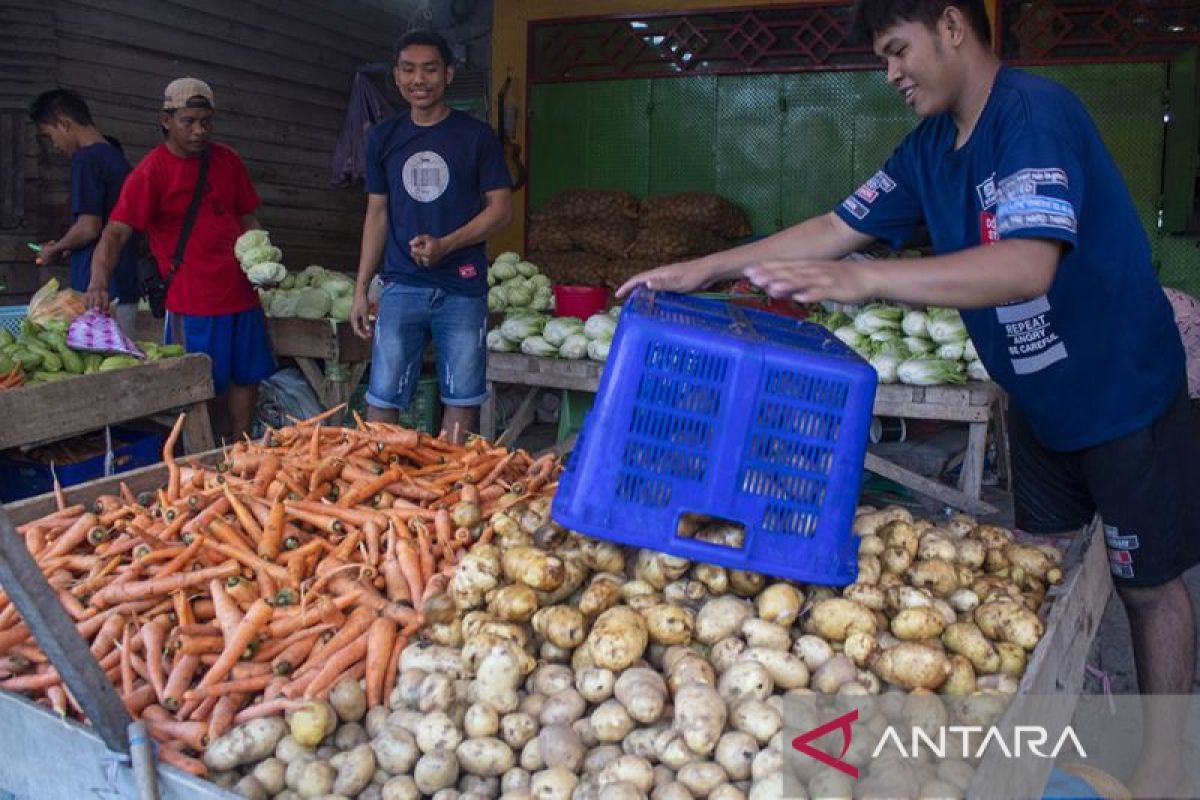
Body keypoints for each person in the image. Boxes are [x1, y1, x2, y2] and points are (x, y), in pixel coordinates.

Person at [618, 1, 1197, 794]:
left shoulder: (1033, 115)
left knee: (1148, 584)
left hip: (1123, 392)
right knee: (1045, 585)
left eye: (898, 51)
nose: (891, 74)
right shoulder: (929, 148)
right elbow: (836, 225)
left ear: (952, 26)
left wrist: (865, 279)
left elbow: (1027, 264)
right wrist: (706, 268)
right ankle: (1064, 742)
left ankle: (1167, 760)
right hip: (1035, 401)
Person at [86, 78, 274, 440]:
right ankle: (205, 458)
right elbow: (115, 233)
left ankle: (241, 449)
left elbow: (249, 219)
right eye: (189, 121)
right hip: (193, 302)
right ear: (166, 119)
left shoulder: (228, 161)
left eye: (206, 121)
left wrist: (261, 260)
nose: (199, 130)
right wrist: (97, 281)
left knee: (246, 375)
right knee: (200, 386)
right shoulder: (151, 172)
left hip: (243, 295)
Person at [350, 29, 512, 444]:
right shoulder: (382, 138)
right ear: (396, 75)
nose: (418, 79)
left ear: (449, 75)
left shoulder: (477, 137)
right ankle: (380, 478)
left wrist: (447, 244)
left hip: (461, 284)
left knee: (462, 395)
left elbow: (500, 210)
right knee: (383, 395)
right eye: (408, 69)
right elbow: (377, 214)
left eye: (429, 69)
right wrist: (361, 288)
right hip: (401, 285)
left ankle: (449, 481)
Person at [28, 88, 141, 337]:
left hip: (98, 293)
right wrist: (71, 244)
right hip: (122, 282)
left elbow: (89, 228)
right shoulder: (114, 157)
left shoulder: (86, 159)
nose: (55, 146)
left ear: (64, 123)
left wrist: (54, 249)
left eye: (50, 136)